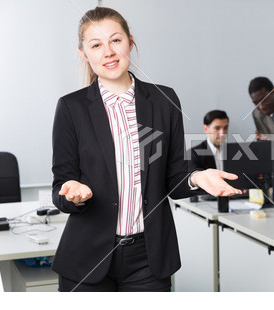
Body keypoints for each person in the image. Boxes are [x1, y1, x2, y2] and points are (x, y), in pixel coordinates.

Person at [51, 7, 240, 292]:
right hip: (87, 257)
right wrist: (73, 193)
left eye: (115, 40)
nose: (108, 52)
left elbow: (175, 180)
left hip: (148, 259)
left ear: (130, 42)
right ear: (84, 53)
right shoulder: (71, 107)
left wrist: (197, 178)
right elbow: (60, 187)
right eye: (96, 45)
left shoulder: (164, 100)